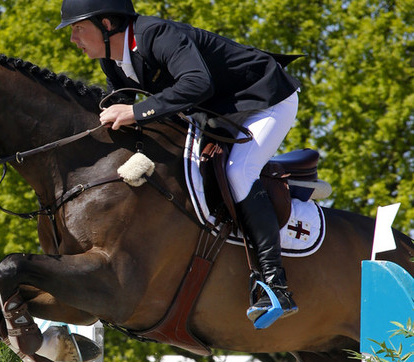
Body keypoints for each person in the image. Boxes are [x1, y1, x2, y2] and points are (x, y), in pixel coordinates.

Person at [56, 0, 301, 326]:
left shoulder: (157, 35)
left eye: (77, 28)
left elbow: (198, 83)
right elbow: (120, 110)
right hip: (216, 112)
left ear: (106, 24)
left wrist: (136, 112)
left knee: (237, 172)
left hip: (263, 100)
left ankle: (275, 283)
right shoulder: (113, 61)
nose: (73, 39)